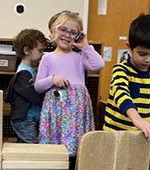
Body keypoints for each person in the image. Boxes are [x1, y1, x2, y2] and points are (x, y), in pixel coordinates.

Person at [34, 10, 104, 158]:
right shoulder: (47, 58)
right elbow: (38, 86)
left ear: (78, 36)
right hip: (56, 107)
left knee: (77, 149)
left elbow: (98, 64)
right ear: (53, 31)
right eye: (63, 29)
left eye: (73, 32)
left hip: (77, 108)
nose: (67, 35)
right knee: (55, 149)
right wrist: (52, 79)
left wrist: (85, 45)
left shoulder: (80, 57)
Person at [4, 29, 48, 143]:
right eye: (40, 51)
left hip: (30, 118)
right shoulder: (23, 73)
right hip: (24, 119)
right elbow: (32, 95)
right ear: (27, 50)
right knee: (30, 146)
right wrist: (47, 100)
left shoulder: (31, 70)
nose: (43, 54)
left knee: (28, 145)